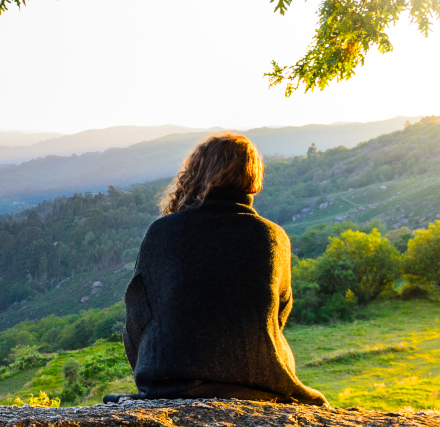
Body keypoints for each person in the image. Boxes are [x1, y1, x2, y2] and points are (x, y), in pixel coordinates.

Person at [104, 132, 326, 405]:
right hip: (263, 384)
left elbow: (137, 317)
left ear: (196, 173)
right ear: (253, 180)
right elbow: (277, 317)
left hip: (172, 385)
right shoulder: (275, 238)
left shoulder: (163, 232)